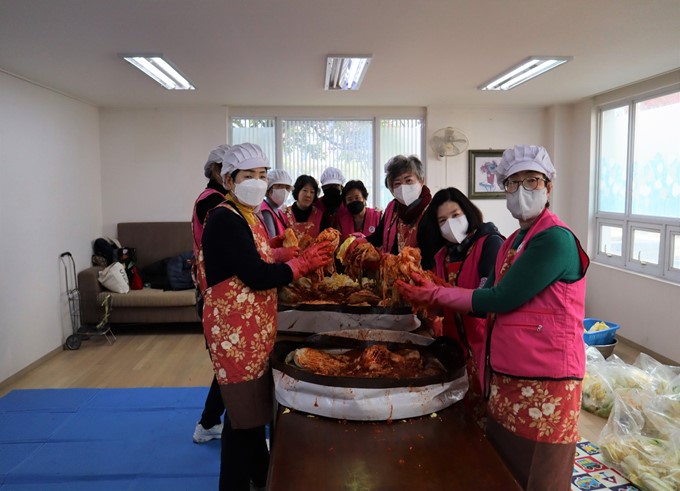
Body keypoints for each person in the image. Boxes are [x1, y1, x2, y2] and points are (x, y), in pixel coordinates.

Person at [397, 145, 589, 491]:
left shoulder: (554, 241)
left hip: (545, 381)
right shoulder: (515, 241)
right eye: (513, 184)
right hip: (506, 373)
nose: (521, 191)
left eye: (532, 181)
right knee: (504, 469)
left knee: (539, 474)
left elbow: (499, 299)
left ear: (549, 186)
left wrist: (435, 294)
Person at [198, 143, 335, 491]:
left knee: (253, 414)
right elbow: (255, 274)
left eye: (262, 175)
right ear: (229, 179)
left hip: (252, 328)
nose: (258, 182)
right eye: (249, 176)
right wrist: (299, 264)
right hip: (236, 332)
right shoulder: (224, 218)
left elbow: (252, 254)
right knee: (243, 420)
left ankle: (261, 477)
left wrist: (279, 251)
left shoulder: (246, 213)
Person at [416, 186, 504, 424]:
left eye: (455, 215)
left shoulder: (490, 244)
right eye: (442, 220)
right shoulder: (441, 256)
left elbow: (486, 299)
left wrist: (437, 295)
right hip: (457, 351)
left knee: (489, 415)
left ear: (467, 211)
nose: (450, 224)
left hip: (486, 349)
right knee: (462, 418)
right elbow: (438, 306)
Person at [190, 143, 230, 444]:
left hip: (220, 290)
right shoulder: (213, 203)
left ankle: (210, 420)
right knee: (228, 363)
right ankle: (208, 422)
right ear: (216, 170)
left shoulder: (220, 200)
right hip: (217, 292)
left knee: (228, 363)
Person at [366, 155, 432, 254]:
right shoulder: (392, 207)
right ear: (392, 189)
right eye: (397, 183)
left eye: (408, 180)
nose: (403, 187)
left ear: (421, 181)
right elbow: (378, 237)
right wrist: (360, 241)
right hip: (392, 267)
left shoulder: (432, 209)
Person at [281, 174, 330, 238]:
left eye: (312, 192)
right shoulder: (284, 214)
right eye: (305, 190)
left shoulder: (320, 216)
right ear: (297, 191)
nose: (308, 195)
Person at [260, 169, 293, 239]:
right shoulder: (266, 211)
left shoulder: (277, 210)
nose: (284, 191)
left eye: (287, 187)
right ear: (269, 189)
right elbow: (271, 242)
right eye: (279, 186)